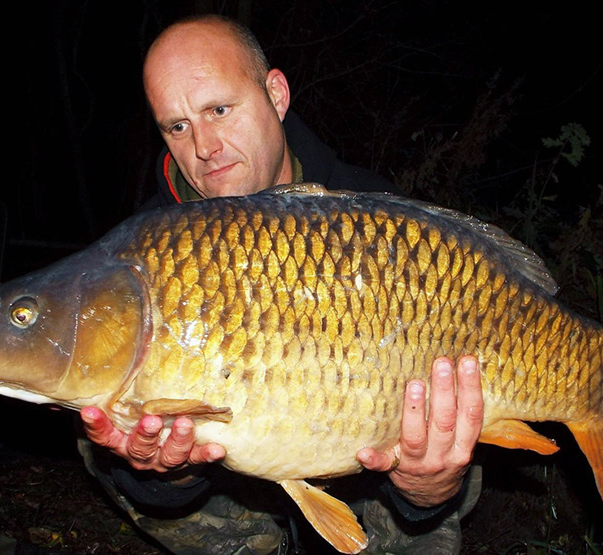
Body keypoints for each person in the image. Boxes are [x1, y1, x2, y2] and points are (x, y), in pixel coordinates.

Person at [77, 14, 485, 554]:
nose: (203, 146)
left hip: (370, 466)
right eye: (176, 126)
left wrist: (426, 489)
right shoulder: (150, 250)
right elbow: (152, 477)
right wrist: (169, 472)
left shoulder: (377, 218)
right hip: (230, 483)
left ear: (275, 94)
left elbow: (432, 466)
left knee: (456, 445)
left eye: (218, 110)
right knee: (96, 427)